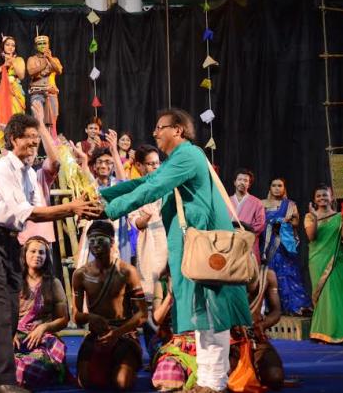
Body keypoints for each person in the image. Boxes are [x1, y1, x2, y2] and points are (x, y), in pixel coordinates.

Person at [100, 109, 252, 393]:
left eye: (160, 127)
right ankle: (206, 380)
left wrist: (108, 209)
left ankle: (214, 382)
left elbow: (153, 188)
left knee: (212, 311)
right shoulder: (178, 159)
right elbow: (145, 182)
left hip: (207, 249)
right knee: (203, 313)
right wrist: (103, 196)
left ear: (178, 130)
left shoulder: (187, 155)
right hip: (196, 247)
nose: (155, 133)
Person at [0, 113, 100, 393]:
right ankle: (2, 381)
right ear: (13, 139)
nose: (33, 144)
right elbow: (27, 212)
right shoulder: (3, 169)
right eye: (28, 138)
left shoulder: (29, 172)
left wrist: (73, 209)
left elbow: (38, 210)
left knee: (12, 309)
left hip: (9, 241)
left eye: (36, 139)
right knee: (0, 310)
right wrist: (71, 208)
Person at [72, 221, 148, 390]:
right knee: (85, 382)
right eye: (92, 240)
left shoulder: (127, 272)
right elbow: (76, 316)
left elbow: (143, 315)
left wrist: (117, 333)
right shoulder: (80, 274)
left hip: (124, 335)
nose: (95, 244)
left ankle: (127, 363)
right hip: (97, 336)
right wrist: (91, 317)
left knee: (121, 383)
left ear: (112, 242)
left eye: (100, 240)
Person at [13, 236, 69, 388]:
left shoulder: (53, 283)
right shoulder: (14, 281)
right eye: (33, 251)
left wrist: (43, 328)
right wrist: (9, 333)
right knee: (4, 366)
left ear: (47, 257)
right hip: (16, 337)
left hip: (42, 339)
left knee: (44, 359)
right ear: (24, 254)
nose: (37, 255)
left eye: (41, 252)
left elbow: (63, 319)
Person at [304, 184, 343, 343]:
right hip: (318, 260)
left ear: (332, 198)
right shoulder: (309, 216)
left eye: (325, 195)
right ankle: (323, 333)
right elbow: (312, 237)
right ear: (314, 199)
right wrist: (314, 218)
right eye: (319, 196)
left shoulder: (339, 216)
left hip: (339, 259)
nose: (322, 198)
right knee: (325, 295)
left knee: (338, 293)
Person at [229, 256, 284, 390]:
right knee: (229, 377)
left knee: (275, 377)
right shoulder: (221, 276)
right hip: (229, 342)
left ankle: (255, 370)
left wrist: (263, 325)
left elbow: (276, 311)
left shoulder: (267, 275)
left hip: (256, 340)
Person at [261, 177, 311, 315]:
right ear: (270, 188)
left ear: (284, 188)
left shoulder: (290, 205)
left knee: (288, 274)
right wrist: (280, 220)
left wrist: (285, 221)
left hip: (284, 245)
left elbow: (295, 224)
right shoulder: (262, 203)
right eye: (274, 185)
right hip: (267, 245)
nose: (277, 188)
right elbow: (258, 222)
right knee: (268, 274)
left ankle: (295, 306)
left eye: (280, 185)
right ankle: (269, 308)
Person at [127, 144, 167, 300]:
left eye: (158, 163)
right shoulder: (135, 190)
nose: (156, 167)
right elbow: (135, 222)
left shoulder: (167, 185)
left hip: (169, 239)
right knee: (152, 288)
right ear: (139, 165)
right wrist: (145, 218)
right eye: (151, 164)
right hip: (149, 242)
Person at [18, 101, 59, 246]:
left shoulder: (40, 175)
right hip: (19, 239)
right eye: (25, 146)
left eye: (33, 147)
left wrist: (41, 125)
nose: (29, 151)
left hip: (42, 239)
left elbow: (55, 161)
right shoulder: (9, 173)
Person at [150, 275, 198, 392]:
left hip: (204, 341)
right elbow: (156, 320)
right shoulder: (163, 283)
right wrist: (170, 296)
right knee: (168, 372)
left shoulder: (205, 278)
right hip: (174, 344)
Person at [0, 35, 26, 151]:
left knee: (16, 121)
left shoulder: (19, 60)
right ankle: (4, 151)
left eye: (13, 45)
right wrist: (4, 66)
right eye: (8, 44)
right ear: (3, 46)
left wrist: (12, 62)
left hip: (15, 93)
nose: (10, 47)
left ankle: (17, 149)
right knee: (2, 121)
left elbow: (21, 75)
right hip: (1, 93)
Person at [27, 35, 63, 138]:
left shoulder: (54, 59)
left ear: (48, 44)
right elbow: (31, 72)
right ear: (36, 46)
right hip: (37, 93)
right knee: (37, 122)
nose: (42, 45)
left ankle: (51, 146)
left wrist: (49, 58)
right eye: (40, 43)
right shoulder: (32, 59)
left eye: (44, 43)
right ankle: (35, 147)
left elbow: (59, 70)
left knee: (52, 123)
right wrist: (43, 64)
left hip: (51, 93)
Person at [229, 168, 265, 263]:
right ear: (235, 182)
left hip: (248, 242)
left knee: (249, 269)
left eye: (245, 180)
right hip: (230, 241)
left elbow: (260, 224)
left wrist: (245, 232)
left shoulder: (257, 202)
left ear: (249, 184)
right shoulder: (226, 200)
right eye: (239, 179)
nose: (242, 182)